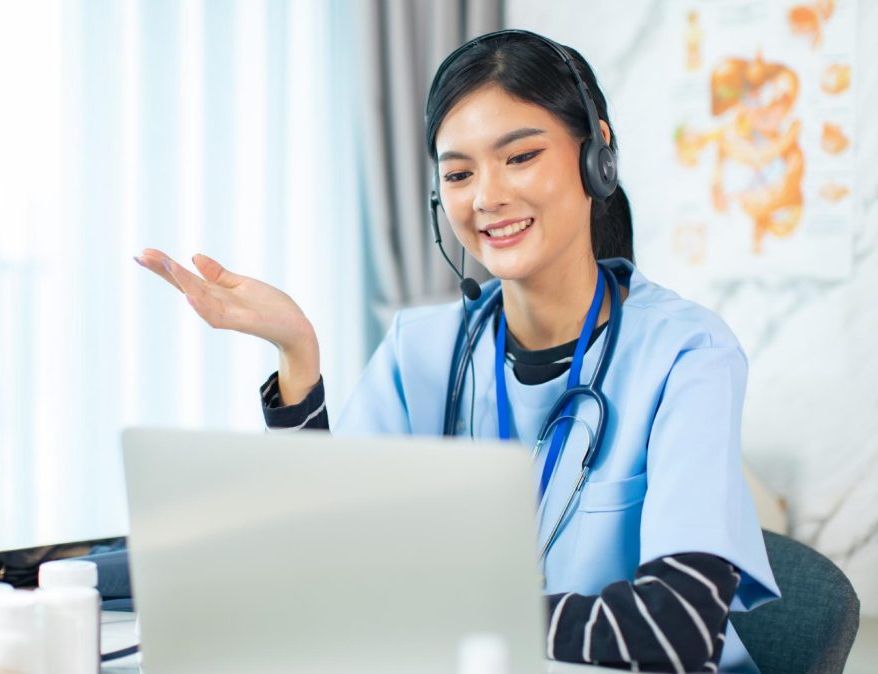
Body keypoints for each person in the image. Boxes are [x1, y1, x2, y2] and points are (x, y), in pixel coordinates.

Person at [134, 29, 779, 674]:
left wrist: (446, 607)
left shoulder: (687, 353)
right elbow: (326, 555)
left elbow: (679, 628)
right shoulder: (422, 351)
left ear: (597, 157)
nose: (487, 197)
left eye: (520, 157)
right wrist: (298, 354)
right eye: (460, 173)